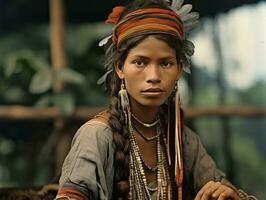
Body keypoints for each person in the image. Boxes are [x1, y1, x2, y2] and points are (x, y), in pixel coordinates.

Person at [55, 0, 257, 199]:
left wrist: (230, 195)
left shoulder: (181, 139)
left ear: (179, 69)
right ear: (120, 68)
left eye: (166, 63)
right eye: (140, 62)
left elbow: (220, 187)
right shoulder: (96, 136)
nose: (153, 75)